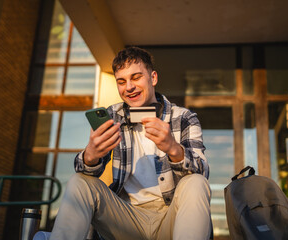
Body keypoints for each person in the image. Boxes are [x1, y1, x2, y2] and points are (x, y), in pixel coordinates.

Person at [50, 47, 211, 240]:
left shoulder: (183, 117)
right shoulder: (112, 116)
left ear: (153, 78)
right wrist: (90, 156)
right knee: (79, 181)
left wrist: (173, 149)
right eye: (121, 81)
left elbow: (202, 173)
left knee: (195, 182)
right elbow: (86, 171)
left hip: (172, 217)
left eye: (136, 77)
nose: (129, 87)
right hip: (127, 217)